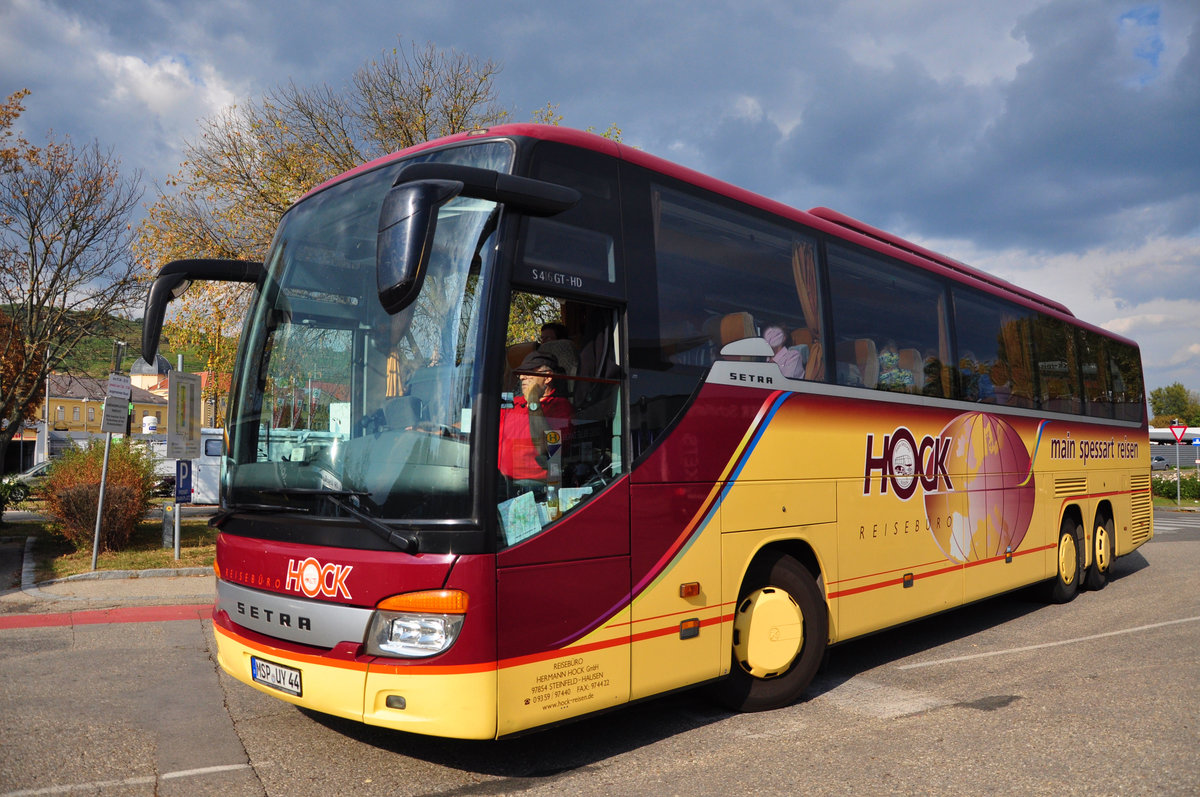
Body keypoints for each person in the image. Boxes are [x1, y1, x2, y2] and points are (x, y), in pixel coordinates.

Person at [498, 350, 573, 489]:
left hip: (534, 485)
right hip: (499, 479)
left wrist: (533, 399)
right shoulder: (514, 402)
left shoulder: (560, 407)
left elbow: (546, 449)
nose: (521, 377)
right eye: (521, 373)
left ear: (547, 377)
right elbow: (484, 423)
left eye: (529, 372)